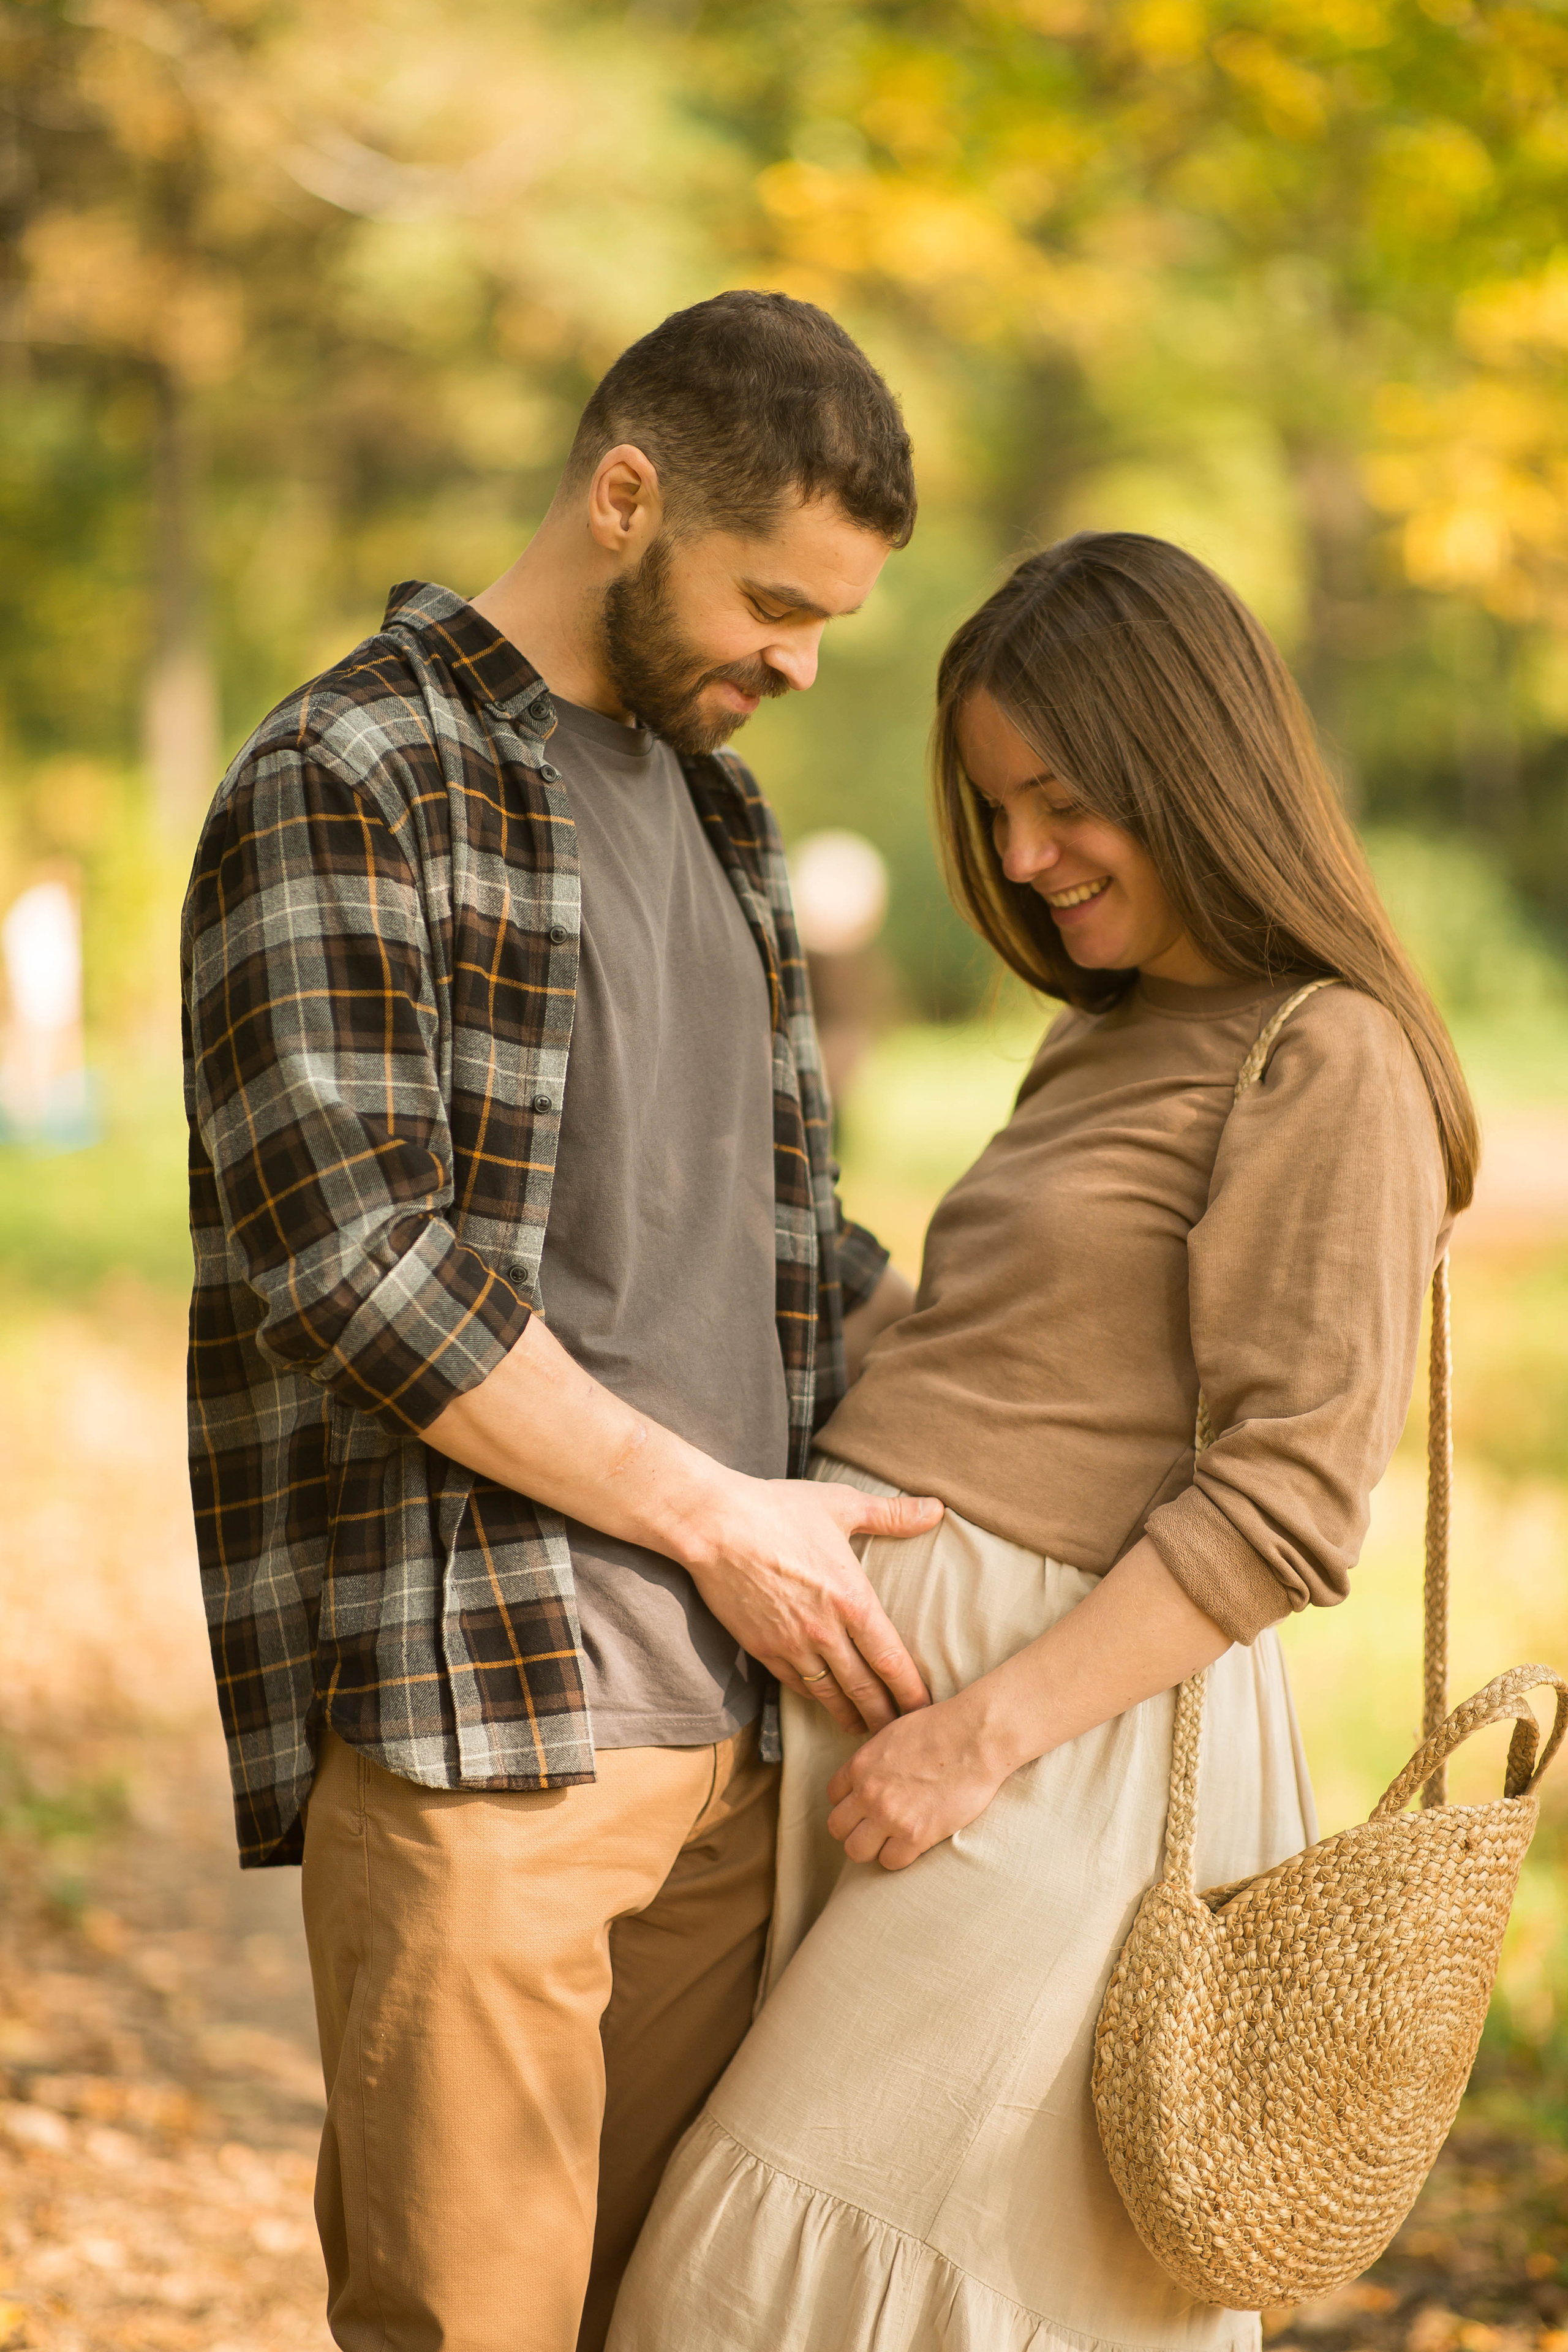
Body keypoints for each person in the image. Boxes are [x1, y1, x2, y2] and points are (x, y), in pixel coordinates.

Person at [179, 289, 946, 2352]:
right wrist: (719, 1519)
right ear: (624, 498)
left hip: (748, 1747)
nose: (800, 661)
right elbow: (353, 1261)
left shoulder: (724, 815)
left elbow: (789, 1245)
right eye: (773, 602)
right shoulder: (351, 773)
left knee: (678, 2324)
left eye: (830, 623)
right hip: (490, 1729)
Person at [608, 533, 1476, 2352]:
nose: (1021, 858)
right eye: (997, 809)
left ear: (1195, 766)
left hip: (1055, 1752)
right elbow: (994, 1354)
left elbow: (1291, 1499)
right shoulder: (1113, 1036)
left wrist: (977, 1738)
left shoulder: (1329, 1057)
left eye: (1064, 802)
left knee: (772, 2282)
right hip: (914, 1721)